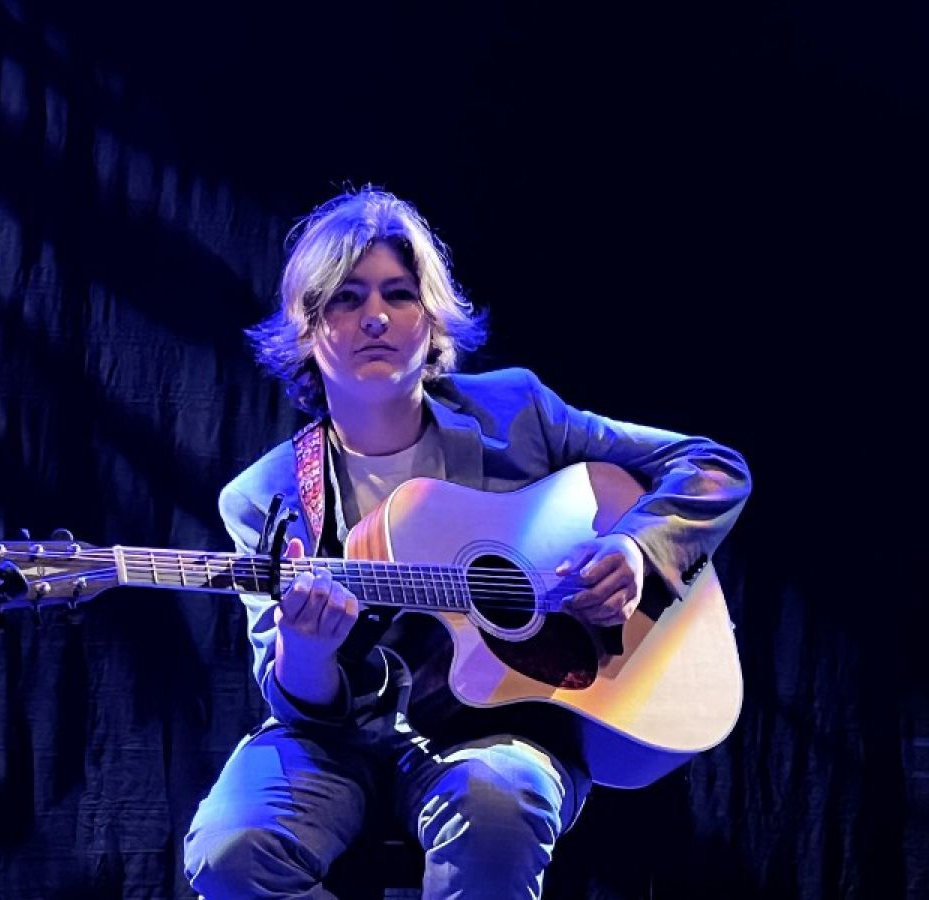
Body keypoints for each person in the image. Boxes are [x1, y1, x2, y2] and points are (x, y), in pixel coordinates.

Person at [183, 188, 751, 898]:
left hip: (499, 732)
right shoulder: (265, 495)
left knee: (497, 804)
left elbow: (711, 468)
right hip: (333, 745)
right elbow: (300, 705)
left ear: (433, 318)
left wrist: (637, 551)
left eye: (400, 293)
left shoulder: (515, 413)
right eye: (346, 299)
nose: (377, 317)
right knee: (231, 849)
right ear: (306, 326)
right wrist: (307, 649)